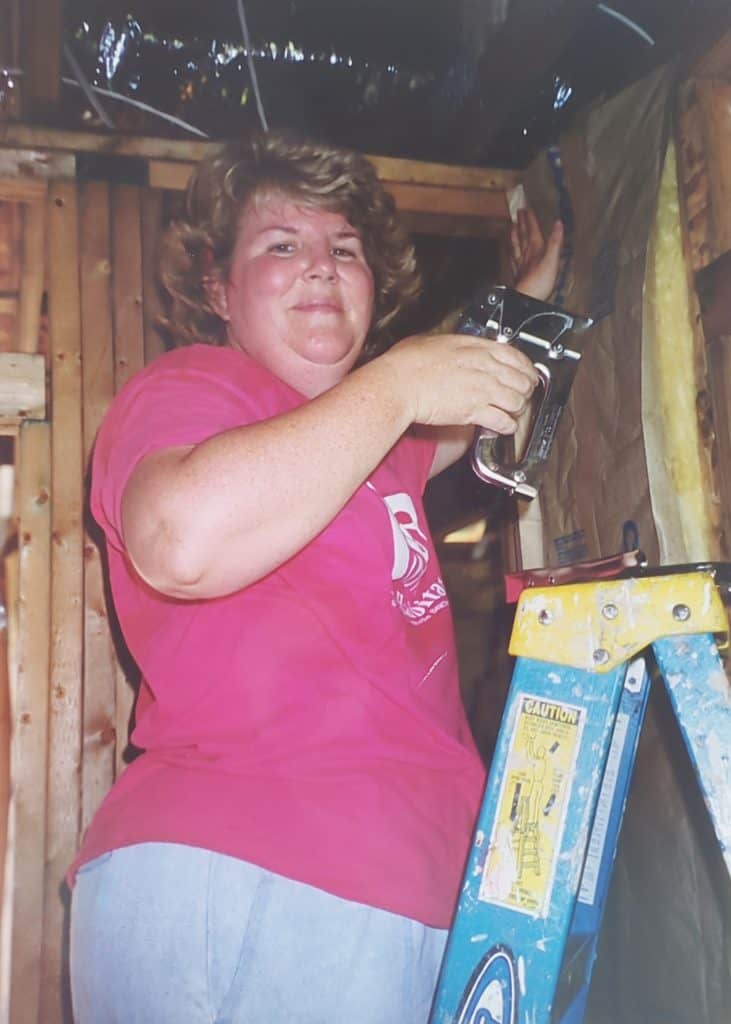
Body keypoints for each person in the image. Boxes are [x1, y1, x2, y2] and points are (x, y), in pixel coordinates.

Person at [68, 130, 562, 1023]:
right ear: (218, 290)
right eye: (282, 246)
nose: (323, 268)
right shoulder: (192, 388)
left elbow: (485, 383)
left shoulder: (382, 450)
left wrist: (536, 286)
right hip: (250, 864)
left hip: (419, 891)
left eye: (345, 250)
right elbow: (182, 540)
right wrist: (398, 384)